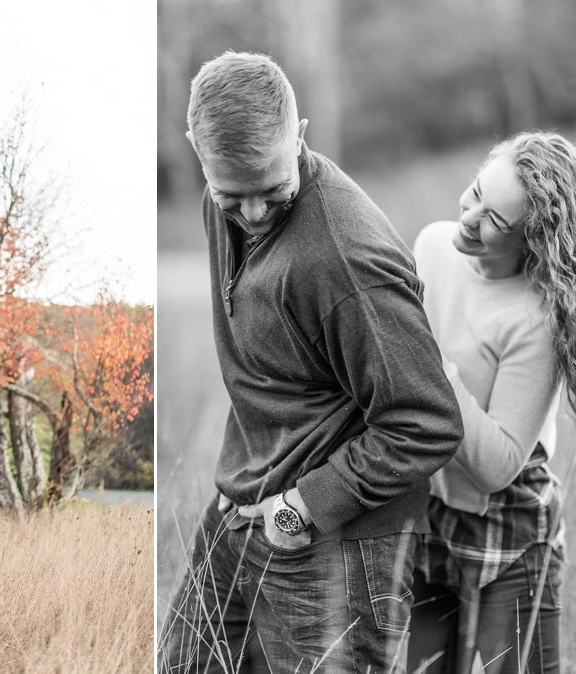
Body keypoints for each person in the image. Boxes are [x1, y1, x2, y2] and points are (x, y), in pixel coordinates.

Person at [158, 51, 464, 674]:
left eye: (272, 190)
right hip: (239, 514)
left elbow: (427, 421)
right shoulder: (232, 195)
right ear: (197, 151)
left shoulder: (346, 261)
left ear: (299, 134)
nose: (252, 214)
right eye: (230, 195)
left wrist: (301, 506)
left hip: (336, 539)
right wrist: (247, 485)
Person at [407, 132, 576, 674]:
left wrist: (432, 368)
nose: (469, 218)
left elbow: (497, 464)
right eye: (474, 193)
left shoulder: (535, 318)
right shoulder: (430, 247)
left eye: (494, 219)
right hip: (432, 509)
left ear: (533, 241)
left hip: (512, 527)